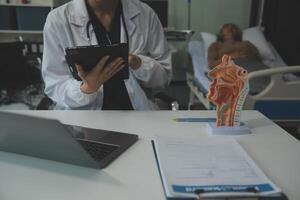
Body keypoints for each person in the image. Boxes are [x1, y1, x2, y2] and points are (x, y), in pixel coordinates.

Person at [42, 0, 172, 110]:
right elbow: (55, 85)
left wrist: (138, 63)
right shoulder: (58, 20)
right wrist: (86, 89)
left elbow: (164, 77)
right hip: (83, 119)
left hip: (137, 114)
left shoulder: (145, 14)